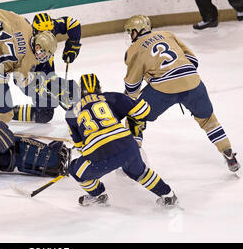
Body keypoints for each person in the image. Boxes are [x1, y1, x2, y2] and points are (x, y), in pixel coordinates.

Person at [123, 14, 240, 172]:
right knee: (207, 119)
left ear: (137, 31)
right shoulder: (168, 35)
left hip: (163, 89)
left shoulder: (134, 49)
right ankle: (229, 154)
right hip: (193, 82)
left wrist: (131, 98)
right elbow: (193, 60)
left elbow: (132, 86)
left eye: (131, 32)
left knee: (134, 116)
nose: (131, 35)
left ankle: (132, 160)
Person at [65, 73, 178, 207]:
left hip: (100, 154)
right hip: (127, 145)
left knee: (74, 169)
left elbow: (80, 147)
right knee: (139, 172)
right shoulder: (111, 97)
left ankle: (98, 195)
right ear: (99, 88)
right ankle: (168, 195)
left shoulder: (71, 113)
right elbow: (142, 111)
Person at [12, 12, 82, 123]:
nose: (47, 34)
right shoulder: (24, 46)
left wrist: (73, 44)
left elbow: (73, 23)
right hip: (29, 82)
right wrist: (44, 88)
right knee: (68, 91)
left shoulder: (51, 26)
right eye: (41, 32)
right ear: (34, 30)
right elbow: (18, 79)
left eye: (50, 31)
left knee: (45, 116)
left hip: (48, 76)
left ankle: (7, 113)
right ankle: (7, 113)